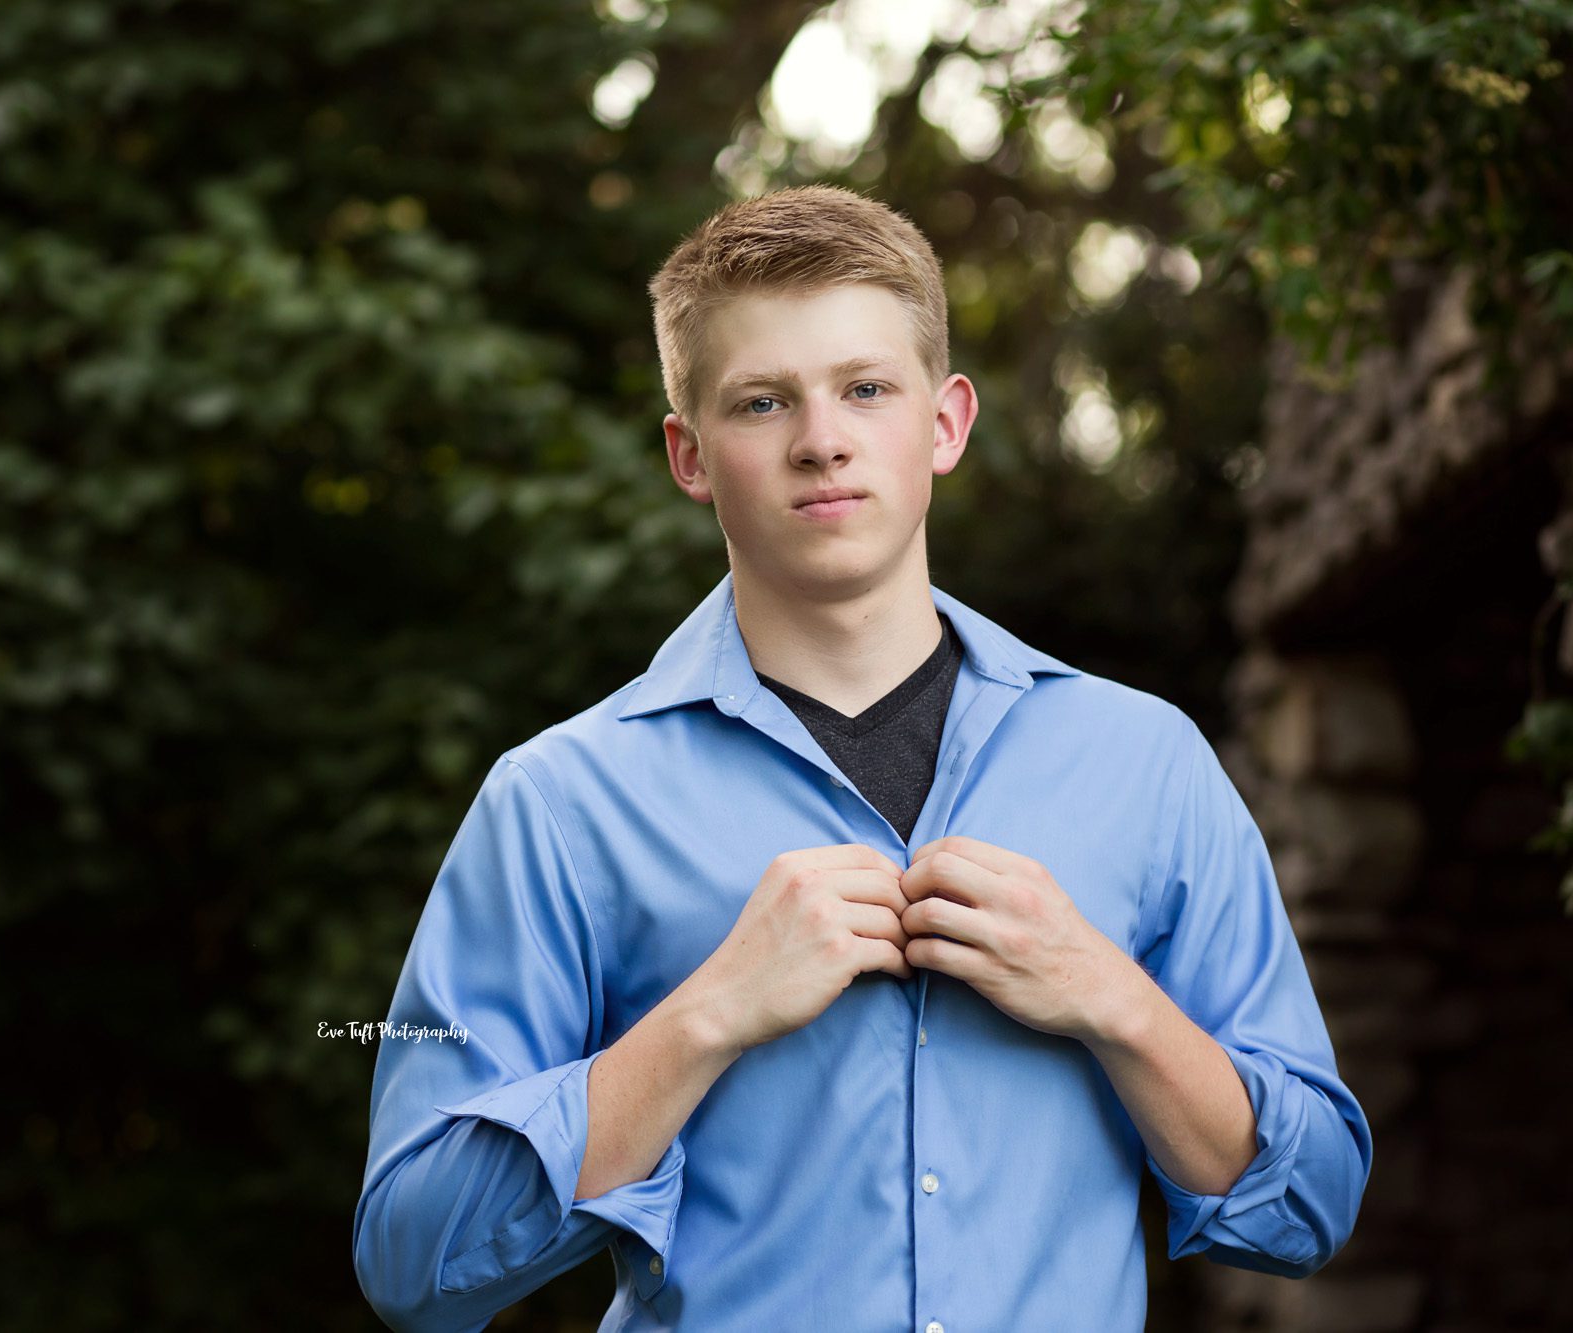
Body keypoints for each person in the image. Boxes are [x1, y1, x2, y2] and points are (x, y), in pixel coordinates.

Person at [352, 184, 1371, 1332]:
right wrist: (707, 1015)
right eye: (759, 402)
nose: (820, 439)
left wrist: (1109, 997)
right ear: (689, 456)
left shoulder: (1145, 762)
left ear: (943, 422)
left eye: (864, 388)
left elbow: (1311, 1203)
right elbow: (413, 1260)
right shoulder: (559, 802)